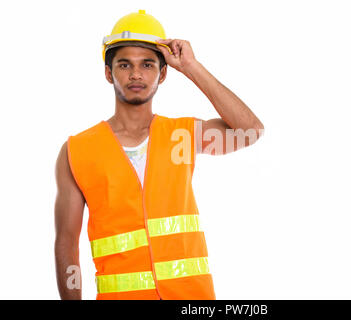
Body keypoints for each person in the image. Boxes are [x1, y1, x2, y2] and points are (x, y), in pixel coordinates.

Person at [54, 10, 264, 300]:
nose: (136, 74)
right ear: (108, 72)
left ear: (163, 73)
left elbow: (250, 130)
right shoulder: (77, 150)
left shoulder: (183, 136)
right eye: (125, 64)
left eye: (148, 64)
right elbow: (66, 244)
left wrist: (191, 66)